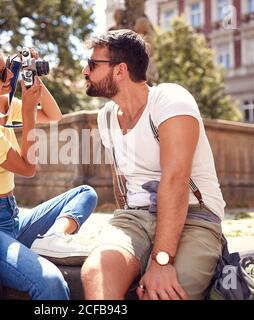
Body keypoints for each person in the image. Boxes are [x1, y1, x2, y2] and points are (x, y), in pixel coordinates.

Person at [80, 30, 226, 300]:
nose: (84, 70)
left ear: (120, 70)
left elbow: (175, 180)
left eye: (92, 64)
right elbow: (120, 182)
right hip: (135, 217)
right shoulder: (107, 116)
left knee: (162, 295)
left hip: (194, 218)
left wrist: (161, 261)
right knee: (96, 273)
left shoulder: (170, 100)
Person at [0, 40, 98, 300]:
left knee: (85, 193)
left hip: (10, 216)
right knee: (51, 282)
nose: (9, 76)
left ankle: (51, 238)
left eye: (8, 68)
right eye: (1, 73)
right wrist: (27, 112)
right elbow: (28, 168)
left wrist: (33, 80)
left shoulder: (0, 105)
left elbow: (54, 116)